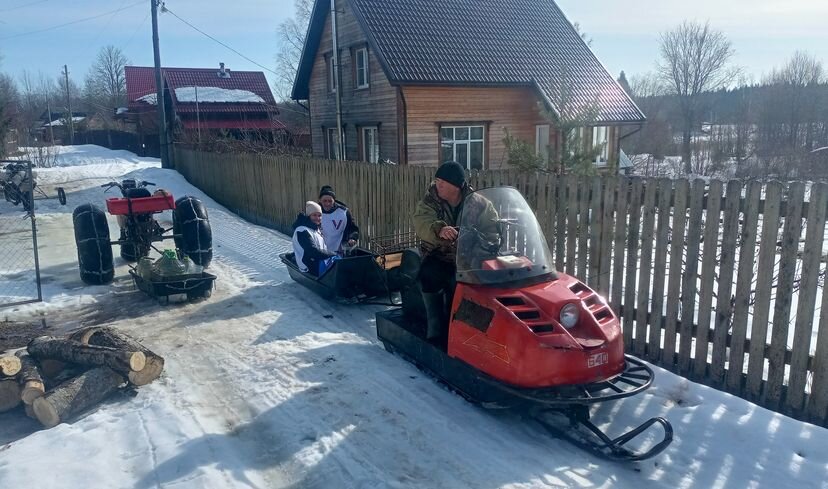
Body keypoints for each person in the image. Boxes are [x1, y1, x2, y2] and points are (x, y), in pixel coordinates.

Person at [412, 161, 498, 344]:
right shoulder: (430, 201)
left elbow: (492, 228)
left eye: (443, 181)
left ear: (457, 185)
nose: (438, 185)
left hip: (469, 257)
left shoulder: (480, 203)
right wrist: (439, 229)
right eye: (437, 180)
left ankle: (473, 333)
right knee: (429, 275)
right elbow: (422, 222)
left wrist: (487, 241)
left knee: (479, 285)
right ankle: (435, 327)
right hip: (439, 254)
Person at [292, 201, 338, 276]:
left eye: (319, 215)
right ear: (308, 216)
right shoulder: (302, 231)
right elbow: (313, 251)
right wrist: (332, 254)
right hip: (308, 264)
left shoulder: (315, 229)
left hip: (317, 261)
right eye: (314, 215)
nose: (317, 218)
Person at [318, 185, 360, 254]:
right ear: (320, 200)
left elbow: (352, 228)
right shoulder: (314, 212)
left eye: (330, 201)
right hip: (319, 251)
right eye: (324, 201)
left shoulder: (343, 212)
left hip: (338, 251)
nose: (327, 204)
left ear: (334, 200)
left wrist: (352, 237)